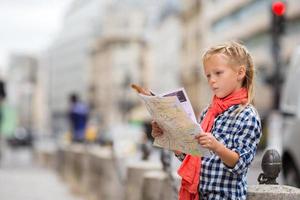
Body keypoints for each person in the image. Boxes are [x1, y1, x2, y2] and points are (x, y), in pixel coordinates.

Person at [151, 41, 262, 200]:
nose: (212, 80)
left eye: (218, 73)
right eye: (208, 75)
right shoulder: (208, 112)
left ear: (240, 73)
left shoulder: (247, 115)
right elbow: (194, 157)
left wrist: (217, 147)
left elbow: (240, 165)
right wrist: (169, 135)